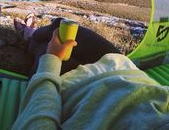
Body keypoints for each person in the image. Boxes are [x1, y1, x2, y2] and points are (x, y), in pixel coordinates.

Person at [12, 15, 169, 129]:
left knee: (44, 48)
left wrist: (51, 58)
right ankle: (32, 32)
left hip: (70, 87)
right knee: (63, 26)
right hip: (120, 65)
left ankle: (28, 35)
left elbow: (37, 124)